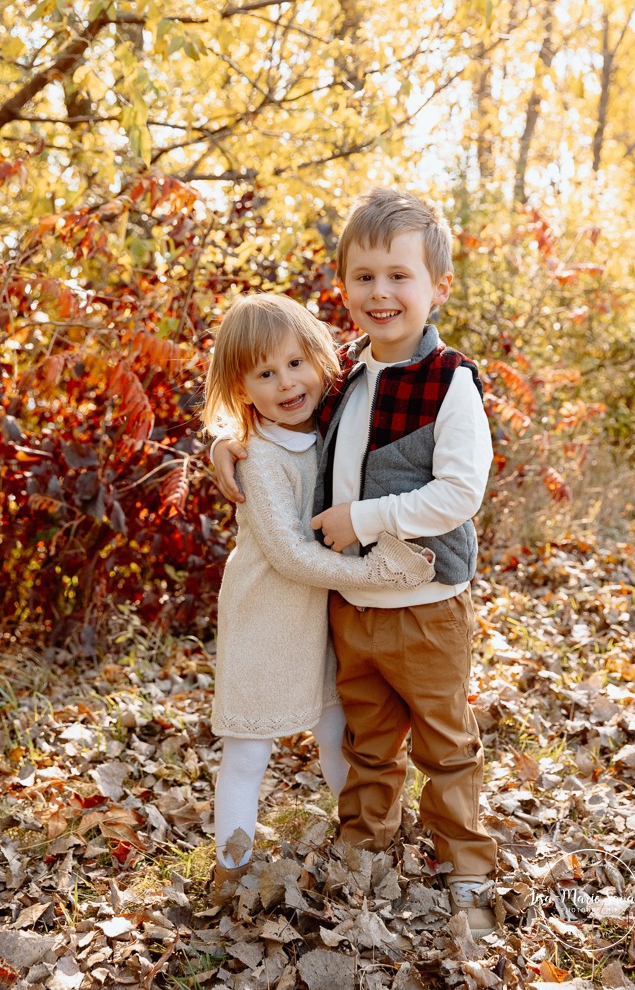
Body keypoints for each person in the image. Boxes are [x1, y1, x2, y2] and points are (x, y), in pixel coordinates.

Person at [212, 189, 497, 938]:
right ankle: (364, 846)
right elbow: (278, 416)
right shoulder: (343, 377)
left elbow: (461, 492)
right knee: (366, 741)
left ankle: (465, 863)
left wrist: (362, 520)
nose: (381, 293)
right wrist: (226, 443)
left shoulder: (450, 380)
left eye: (398, 276)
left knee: (444, 741)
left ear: (437, 285)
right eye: (364, 277)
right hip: (352, 610)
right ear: (343, 286)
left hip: (426, 605)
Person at [202, 293, 435, 901]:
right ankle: (232, 867)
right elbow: (287, 554)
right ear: (241, 387)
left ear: (322, 360)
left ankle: (364, 839)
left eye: (296, 363)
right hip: (265, 616)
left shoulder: (331, 425)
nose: (286, 383)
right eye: (265, 373)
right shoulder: (258, 458)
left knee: (338, 734)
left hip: (324, 618)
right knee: (249, 748)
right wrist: (381, 574)